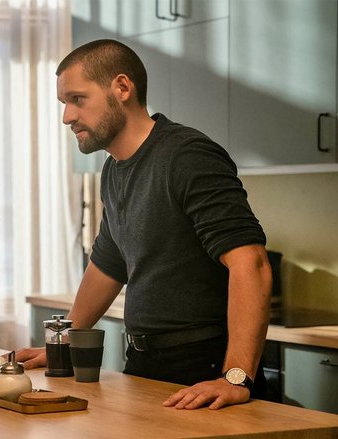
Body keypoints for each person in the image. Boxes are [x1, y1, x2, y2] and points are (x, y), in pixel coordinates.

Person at [16, 40, 272, 410]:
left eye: (78, 99)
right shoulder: (113, 170)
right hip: (144, 361)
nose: (67, 117)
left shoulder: (187, 156)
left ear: (122, 87)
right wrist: (65, 341)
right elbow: (108, 264)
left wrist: (235, 378)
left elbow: (252, 263)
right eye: (64, 103)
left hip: (202, 363)